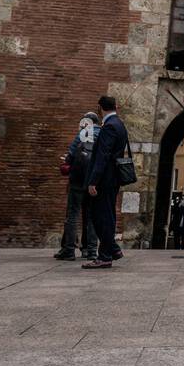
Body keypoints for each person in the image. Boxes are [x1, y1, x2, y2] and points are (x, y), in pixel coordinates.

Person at [81, 95, 130, 269]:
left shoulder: (109, 126)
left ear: (100, 108)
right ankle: (113, 249)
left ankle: (105, 256)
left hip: (105, 179)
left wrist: (93, 181)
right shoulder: (119, 124)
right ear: (115, 106)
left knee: (101, 216)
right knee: (105, 215)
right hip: (112, 178)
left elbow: (102, 156)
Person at [55, 111, 100, 261]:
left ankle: (69, 250)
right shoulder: (102, 134)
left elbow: (70, 156)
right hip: (94, 181)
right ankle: (91, 251)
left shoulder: (82, 134)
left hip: (77, 180)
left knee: (73, 215)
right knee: (92, 216)